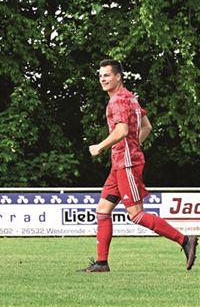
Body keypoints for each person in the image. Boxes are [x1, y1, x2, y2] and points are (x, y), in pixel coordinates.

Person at [79, 59, 197, 272]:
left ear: (118, 76)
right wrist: (133, 145)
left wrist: (100, 147)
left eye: (107, 75)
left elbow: (122, 131)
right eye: (100, 76)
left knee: (136, 214)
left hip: (127, 164)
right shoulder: (130, 98)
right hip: (120, 164)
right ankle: (101, 263)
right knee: (103, 210)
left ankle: (185, 239)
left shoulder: (117, 101)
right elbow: (147, 126)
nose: (102, 79)